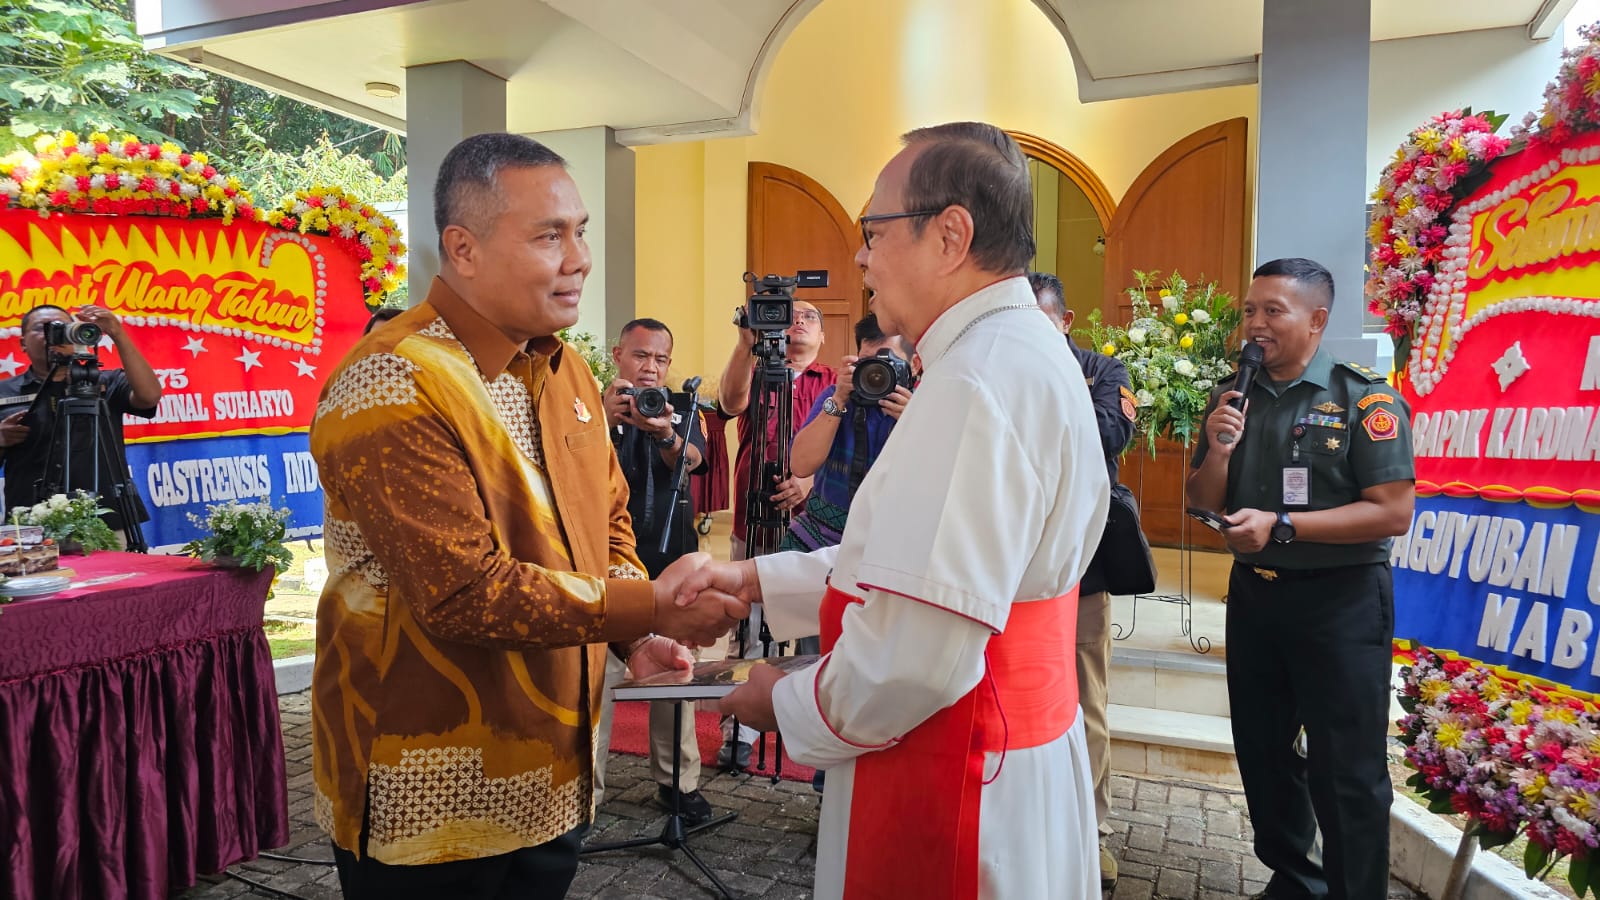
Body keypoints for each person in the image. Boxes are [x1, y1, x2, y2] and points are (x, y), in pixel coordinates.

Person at [678, 121, 1110, 899]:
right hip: (1010, 749)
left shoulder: (975, 380)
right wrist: (747, 580)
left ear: (950, 235)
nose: (860, 257)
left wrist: (781, 699)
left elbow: (915, 654)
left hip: (963, 767)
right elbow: (914, 563)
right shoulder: (1017, 353)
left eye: (874, 229)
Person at [308, 132, 744, 900]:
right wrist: (651, 605)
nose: (578, 257)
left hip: (554, 782)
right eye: (550, 235)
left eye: (580, 231)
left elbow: (605, 522)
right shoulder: (393, 378)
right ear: (463, 248)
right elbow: (462, 592)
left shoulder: (565, 365)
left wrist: (634, 636)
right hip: (431, 801)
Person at [1187, 257, 1414, 900]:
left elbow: (1392, 512)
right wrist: (1220, 448)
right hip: (1256, 597)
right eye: (1250, 311)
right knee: (1263, 752)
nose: (1255, 325)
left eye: (1273, 312)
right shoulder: (1234, 394)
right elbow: (1200, 500)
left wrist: (1282, 526)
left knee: (1348, 769)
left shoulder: (1362, 397)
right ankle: (1295, 880)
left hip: (1339, 602)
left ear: (1316, 320)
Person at [1029, 270, 1135, 888]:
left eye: (1042, 323)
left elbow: (1108, 434)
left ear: (1065, 322)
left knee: (1085, 694)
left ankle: (1093, 826)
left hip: (1082, 565)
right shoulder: (1002, 365)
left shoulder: (1102, 371)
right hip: (1014, 561)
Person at [593, 316, 714, 824]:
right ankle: (585, 794)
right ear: (618, 353)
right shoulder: (588, 409)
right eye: (641, 356)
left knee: (675, 671)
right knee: (594, 679)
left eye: (661, 359)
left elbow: (692, 460)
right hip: (601, 561)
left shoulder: (682, 409)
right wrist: (604, 418)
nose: (651, 368)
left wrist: (664, 431)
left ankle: (677, 783)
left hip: (668, 560)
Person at [715, 293, 836, 767]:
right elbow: (728, 402)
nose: (799, 322)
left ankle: (813, 728)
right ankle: (739, 732)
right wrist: (746, 344)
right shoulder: (757, 367)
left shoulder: (835, 384)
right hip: (754, 516)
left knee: (814, 631)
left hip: (814, 527)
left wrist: (807, 480)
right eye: (791, 315)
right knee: (747, 623)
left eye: (810, 317)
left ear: (823, 335)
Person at [0, 304, 161, 545]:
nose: (53, 334)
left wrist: (118, 333)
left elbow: (149, 396)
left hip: (107, 519)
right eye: (43, 329)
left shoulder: (105, 381)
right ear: (23, 343)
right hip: (31, 522)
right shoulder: (4, 391)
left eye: (63, 327)